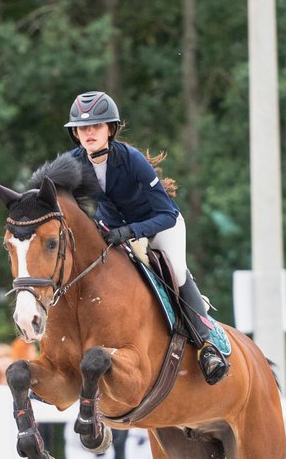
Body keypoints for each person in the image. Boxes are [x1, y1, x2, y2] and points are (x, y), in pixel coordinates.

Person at [64, 90, 228, 385]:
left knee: (175, 271)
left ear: (110, 129)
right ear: (76, 133)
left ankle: (206, 345)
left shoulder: (131, 160)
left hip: (159, 226)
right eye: (83, 128)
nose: (89, 133)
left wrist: (132, 231)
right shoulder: (73, 163)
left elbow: (166, 212)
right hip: (115, 232)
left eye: (96, 126)